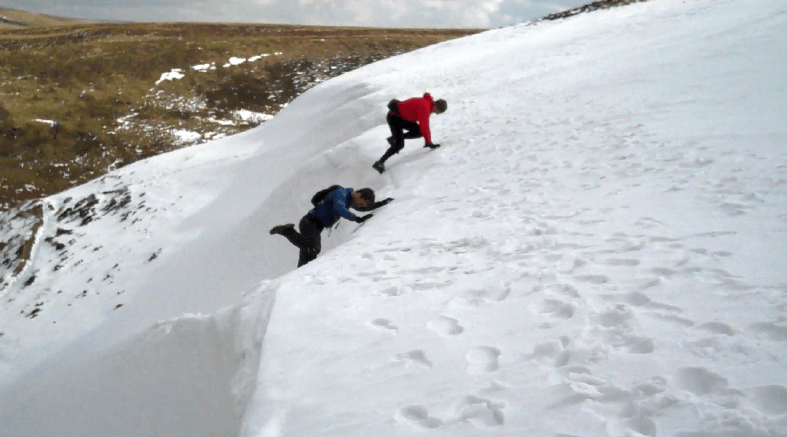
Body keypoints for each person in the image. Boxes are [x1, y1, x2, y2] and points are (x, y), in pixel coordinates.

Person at [269, 186, 393, 267]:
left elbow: (363, 208)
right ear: (359, 195)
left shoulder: (349, 200)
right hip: (309, 222)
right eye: (361, 202)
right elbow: (339, 208)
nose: (360, 205)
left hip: (317, 225)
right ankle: (287, 231)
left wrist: (382, 203)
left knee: (309, 253)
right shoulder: (341, 193)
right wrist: (356, 218)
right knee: (313, 248)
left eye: (362, 205)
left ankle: (299, 275)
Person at [372, 93, 447, 174]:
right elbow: (424, 126)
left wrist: (428, 141)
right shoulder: (425, 107)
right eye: (437, 112)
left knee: (419, 132)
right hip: (394, 118)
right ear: (436, 107)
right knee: (399, 144)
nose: (435, 113)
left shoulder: (427, 103)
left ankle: (394, 138)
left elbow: (423, 128)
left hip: (403, 117)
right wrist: (429, 143)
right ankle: (379, 163)